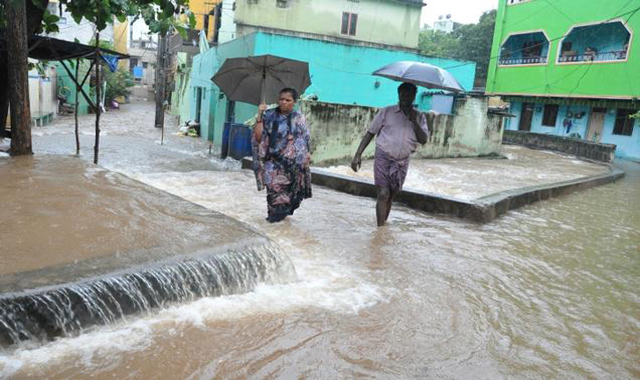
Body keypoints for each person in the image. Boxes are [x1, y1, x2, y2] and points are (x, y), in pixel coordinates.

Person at [351, 82, 429, 227]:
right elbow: (370, 133)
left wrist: (415, 122)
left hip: (402, 161)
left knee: (391, 194)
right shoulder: (386, 112)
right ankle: (380, 230)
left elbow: (423, 140)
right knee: (383, 194)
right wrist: (358, 154)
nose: (405, 97)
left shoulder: (419, 116)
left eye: (409, 94)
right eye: (403, 93)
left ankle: (383, 225)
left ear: (414, 96)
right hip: (383, 157)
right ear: (398, 95)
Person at [252, 88, 312, 223]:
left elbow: (305, 142)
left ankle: (280, 228)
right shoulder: (269, 115)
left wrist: (305, 160)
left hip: (292, 166)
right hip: (272, 164)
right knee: (274, 196)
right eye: (281, 99)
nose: (284, 102)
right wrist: (260, 116)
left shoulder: (299, 118)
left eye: (288, 100)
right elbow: (258, 138)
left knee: (289, 197)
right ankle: (272, 223)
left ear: (294, 102)